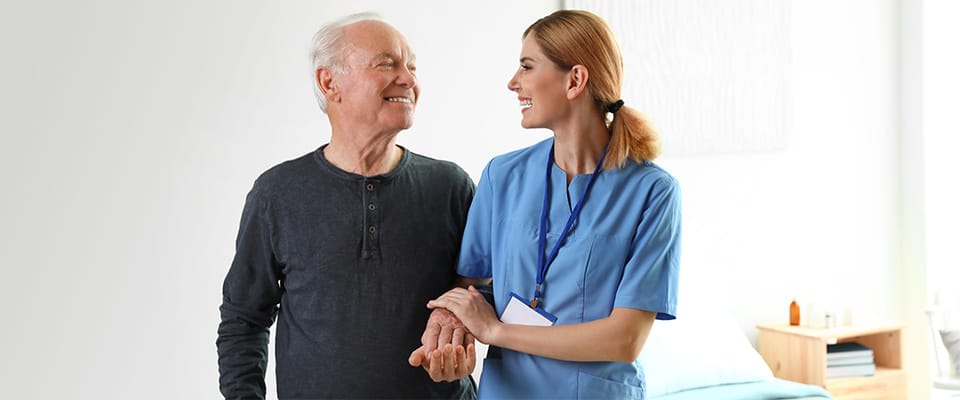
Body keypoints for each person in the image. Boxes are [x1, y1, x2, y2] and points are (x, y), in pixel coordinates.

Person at [216, 12, 477, 399]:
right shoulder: (277, 193)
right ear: (329, 82)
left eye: (412, 67)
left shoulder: (451, 186)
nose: (408, 79)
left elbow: (487, 285)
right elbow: (243, 319)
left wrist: (457, 317)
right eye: (386, 64)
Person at [424, 10, 682, 399]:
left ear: (575, 80)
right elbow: (473, 287)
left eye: (527, 66)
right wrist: (449, 326)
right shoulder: (501, 176)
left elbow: (625, 339)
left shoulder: (653, 192)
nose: (513, 82)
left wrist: (495, 331)